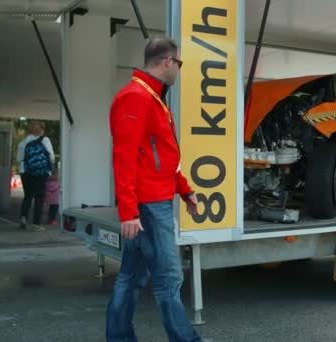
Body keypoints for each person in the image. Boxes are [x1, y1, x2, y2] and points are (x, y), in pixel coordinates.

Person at [106, 38, 202, 342]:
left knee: (132, 276)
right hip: (148, 206)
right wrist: (129, 212)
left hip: (151, 202)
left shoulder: (151, 97)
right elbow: (124, 158)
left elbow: (163, 158)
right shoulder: (136, 97)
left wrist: (185, 191)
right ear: (168, 62)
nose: (179, 70)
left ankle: (119, 337)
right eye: (180, 64)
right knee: (169, 278)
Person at [16, 120, 55, 230]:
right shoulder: (45, 140)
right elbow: (51, 157)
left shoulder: (24, 142)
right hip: (41, 172)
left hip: (26, 171)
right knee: (39, 197)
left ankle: (23, 218)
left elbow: (19, 158)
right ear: (42, 129)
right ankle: (36, 223)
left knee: (28, 196)